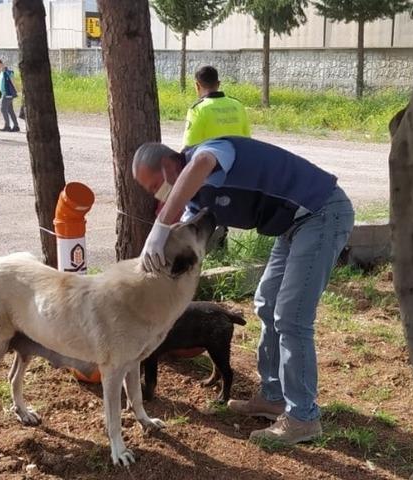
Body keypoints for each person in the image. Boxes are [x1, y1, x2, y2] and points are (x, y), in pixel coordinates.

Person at [132, 137, 354, 445]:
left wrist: (159, 227)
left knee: (291, 317)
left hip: (321, 213)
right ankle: (274, 397)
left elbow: (199, 166)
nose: (157, 194)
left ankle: (304, 418)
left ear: (170, 165)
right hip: (292, 227)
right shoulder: (196, 201)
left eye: (155, 184)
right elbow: (179, 248)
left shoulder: (210, 152)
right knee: (266, 303)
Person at [182, 66, 250, 148]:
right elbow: (247, 140)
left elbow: (189, 146)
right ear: (218, 84)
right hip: (238, 158)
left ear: (197, 86)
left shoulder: (198, 110)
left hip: (212, 159)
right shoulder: (238, 105)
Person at [0, 59, 20, 132]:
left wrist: (17, 90)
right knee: (10, 110)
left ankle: (7, 126)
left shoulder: (7, 71)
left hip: (8, 94)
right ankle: (16, 126)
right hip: (4, 94)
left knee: (3, 109)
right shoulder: (1, 73)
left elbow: (12, 80)